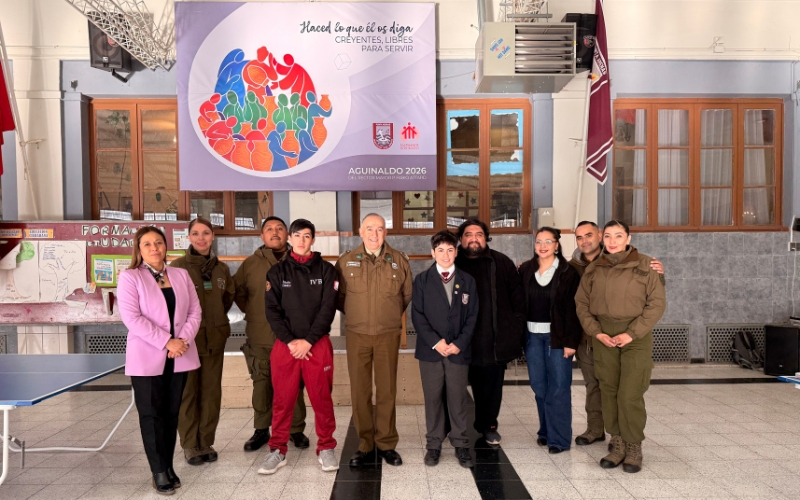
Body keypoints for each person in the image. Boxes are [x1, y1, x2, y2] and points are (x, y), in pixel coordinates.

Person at [575, 220, 666, 473]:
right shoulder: (595, 268)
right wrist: (597, 333)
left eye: (619, 236)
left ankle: (633, 445)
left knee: (630, 393)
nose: (613, 241)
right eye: (608, 237)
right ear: (603, 239)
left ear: (628, 237)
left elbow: (656, 305)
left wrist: (631, 333)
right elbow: (581, 304)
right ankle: (617, 443)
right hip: (604, 336)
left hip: (635, 336)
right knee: (610, 391)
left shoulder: (647, 265)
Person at [117, 226, 201, 495]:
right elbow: (132, 318)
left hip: (180, 355)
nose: (154, 248)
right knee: (151, 415)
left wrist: (182, 342)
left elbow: (195, 312)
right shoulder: (130, 277)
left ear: (166, 246)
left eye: (158, 243)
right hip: (148, 356)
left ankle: (167, 465)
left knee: (171, 413)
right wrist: (167, 341)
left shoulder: (181, 274)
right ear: (138, 249)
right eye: (147, 244)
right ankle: (158, 471)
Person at [259, 219, 339, 475]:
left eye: (307, 236)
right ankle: (278, 449)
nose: (302, 240)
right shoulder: (277, 272)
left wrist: (309, 340)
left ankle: (326, 447)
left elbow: (328, 310)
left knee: (322, 399)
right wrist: (292, 342)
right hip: (286, 346)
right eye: (297, 235)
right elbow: (272, 311)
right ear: (290, 239)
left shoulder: (327, 270)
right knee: (282, 400)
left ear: (313, 240)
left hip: (318, 344)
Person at [335, 213, 412, 467]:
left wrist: (384, 316)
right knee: (360, 391)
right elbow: (340, 298)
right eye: (370, 228)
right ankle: (365, 444)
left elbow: (405, 296)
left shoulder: (398, 261)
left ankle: (387, 443)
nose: (374, 234)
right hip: (357, 334)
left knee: (387, 389)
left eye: (379, 229)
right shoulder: (346, 262)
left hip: (387, 334)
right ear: (360, 231)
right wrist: (362, 317)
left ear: (385, 233)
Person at [233, 216, 309, 452]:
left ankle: (296, 429)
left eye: (279, 229)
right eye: (269, 229)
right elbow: (239, 292)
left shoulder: (301, 260)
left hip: (294, 337)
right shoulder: (250, 264)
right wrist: (256, 313)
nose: (274, 232)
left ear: (288, 234)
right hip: (261, 335)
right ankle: (261, 429)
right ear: (262, 236)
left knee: (294, 385)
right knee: (262, 384)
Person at [453, 218, 526, 445]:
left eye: (479, 234)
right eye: (468, 234)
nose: (474, 238)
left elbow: (518, 301)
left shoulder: (501, 263)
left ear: (486, 238)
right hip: (461, 341)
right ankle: (454, 428)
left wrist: (513, 330)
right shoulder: (452, 262)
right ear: (461, 239)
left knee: (491, 389)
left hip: (493, 340)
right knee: (454, 388)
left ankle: (489, 426)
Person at [170, 218, 235, 465]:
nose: (201, 238)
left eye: (206, 233)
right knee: (188, 394)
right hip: (188, 341)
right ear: (188, 237)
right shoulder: (177, 268)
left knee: (210, 393)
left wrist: (216, 320)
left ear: (212, 237)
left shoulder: (221, 269)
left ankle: (206, 441)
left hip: (214, 339)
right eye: (195, 233)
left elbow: (226, 299)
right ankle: (189, 444)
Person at [413, 230, 478, 469]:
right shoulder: (421, 280)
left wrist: (459, 343)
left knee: (458, 398)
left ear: (456, 252)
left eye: (450, 249)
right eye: (440, 250)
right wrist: (436, 342)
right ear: (433, 252)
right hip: (431, 352)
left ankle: (461, 443)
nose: (445, 254)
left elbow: (472, 316)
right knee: (433, 399)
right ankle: (434, 444)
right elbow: (417, 316)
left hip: (458, 351)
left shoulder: (468, 280)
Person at [518, 227, 582, 454]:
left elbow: (574, 309)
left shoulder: (568, 272)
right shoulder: (525, 269)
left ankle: (560, 439)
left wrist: (571, 341)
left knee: (559, 388)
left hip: (558, 338)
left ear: (557, 244)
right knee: (539, 387)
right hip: (532, 337)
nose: (543, 246)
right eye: (539, 242)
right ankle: (546, 431)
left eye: (548, 241)